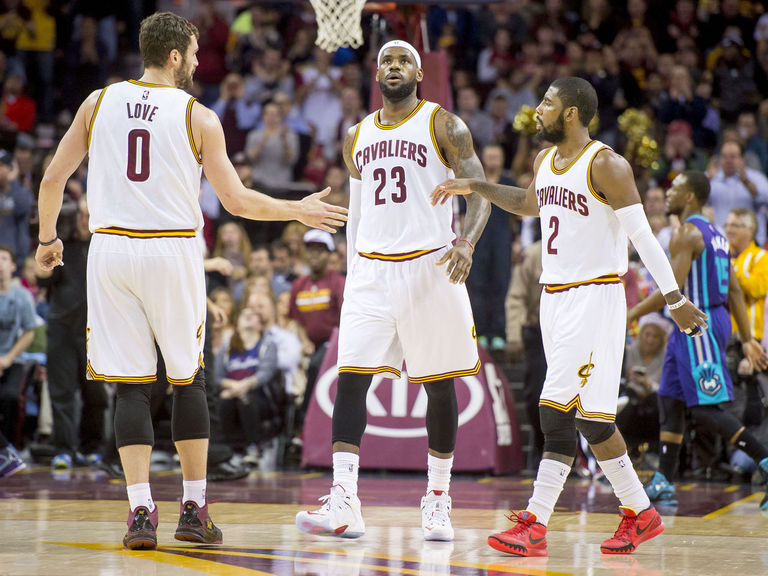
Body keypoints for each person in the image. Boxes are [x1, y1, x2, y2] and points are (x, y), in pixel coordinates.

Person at [34, 12, 347, 551]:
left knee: (130, 385)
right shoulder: (198, 115)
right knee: (187, 379)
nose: (200, 61)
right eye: (196, 53)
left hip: (110, 252)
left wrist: (46, 240)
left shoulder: (97, 102)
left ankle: (138, 512)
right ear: (175, 55)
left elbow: (52, 177)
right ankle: (195, 509)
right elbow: (237, 201)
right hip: (171, 249)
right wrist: (297, 209)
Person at [430, 77, 707, 557]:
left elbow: (643, 238)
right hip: (554, 298)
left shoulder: (608, 165)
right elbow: (528, 204)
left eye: (547, 103)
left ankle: (535, 522)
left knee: (553, 408)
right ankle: (640, 513)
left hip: (595, 298)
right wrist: (476, 185)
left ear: (572, 113)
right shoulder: (544, 161)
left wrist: (675, 298)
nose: (537, 109)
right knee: (595, 423)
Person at [296, 40, 490, 542]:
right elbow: (358, 213)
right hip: (372, 273)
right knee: (351, 379)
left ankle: (439, 500)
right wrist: (355, 268)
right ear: (376, 72)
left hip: (431, 266)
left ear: (419, 72)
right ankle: (344, 502)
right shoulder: (355, 135)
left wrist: (465, 240)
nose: (394, 67)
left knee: (440, 383)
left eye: (404, 60)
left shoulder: (443, 124)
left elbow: (481, 189)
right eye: (387, 61)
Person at [628, 173, 768, 509]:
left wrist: (630, 313)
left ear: (689, 195)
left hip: (698, 321)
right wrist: (746, 338)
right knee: (670, 400)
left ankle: (764, 460)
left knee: (706, 409)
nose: (668, 192)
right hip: (695, 321)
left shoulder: (686, 231)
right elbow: (734, 289)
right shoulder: (717, 234)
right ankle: (663, 479)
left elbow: (671, 290)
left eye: (674, 188)